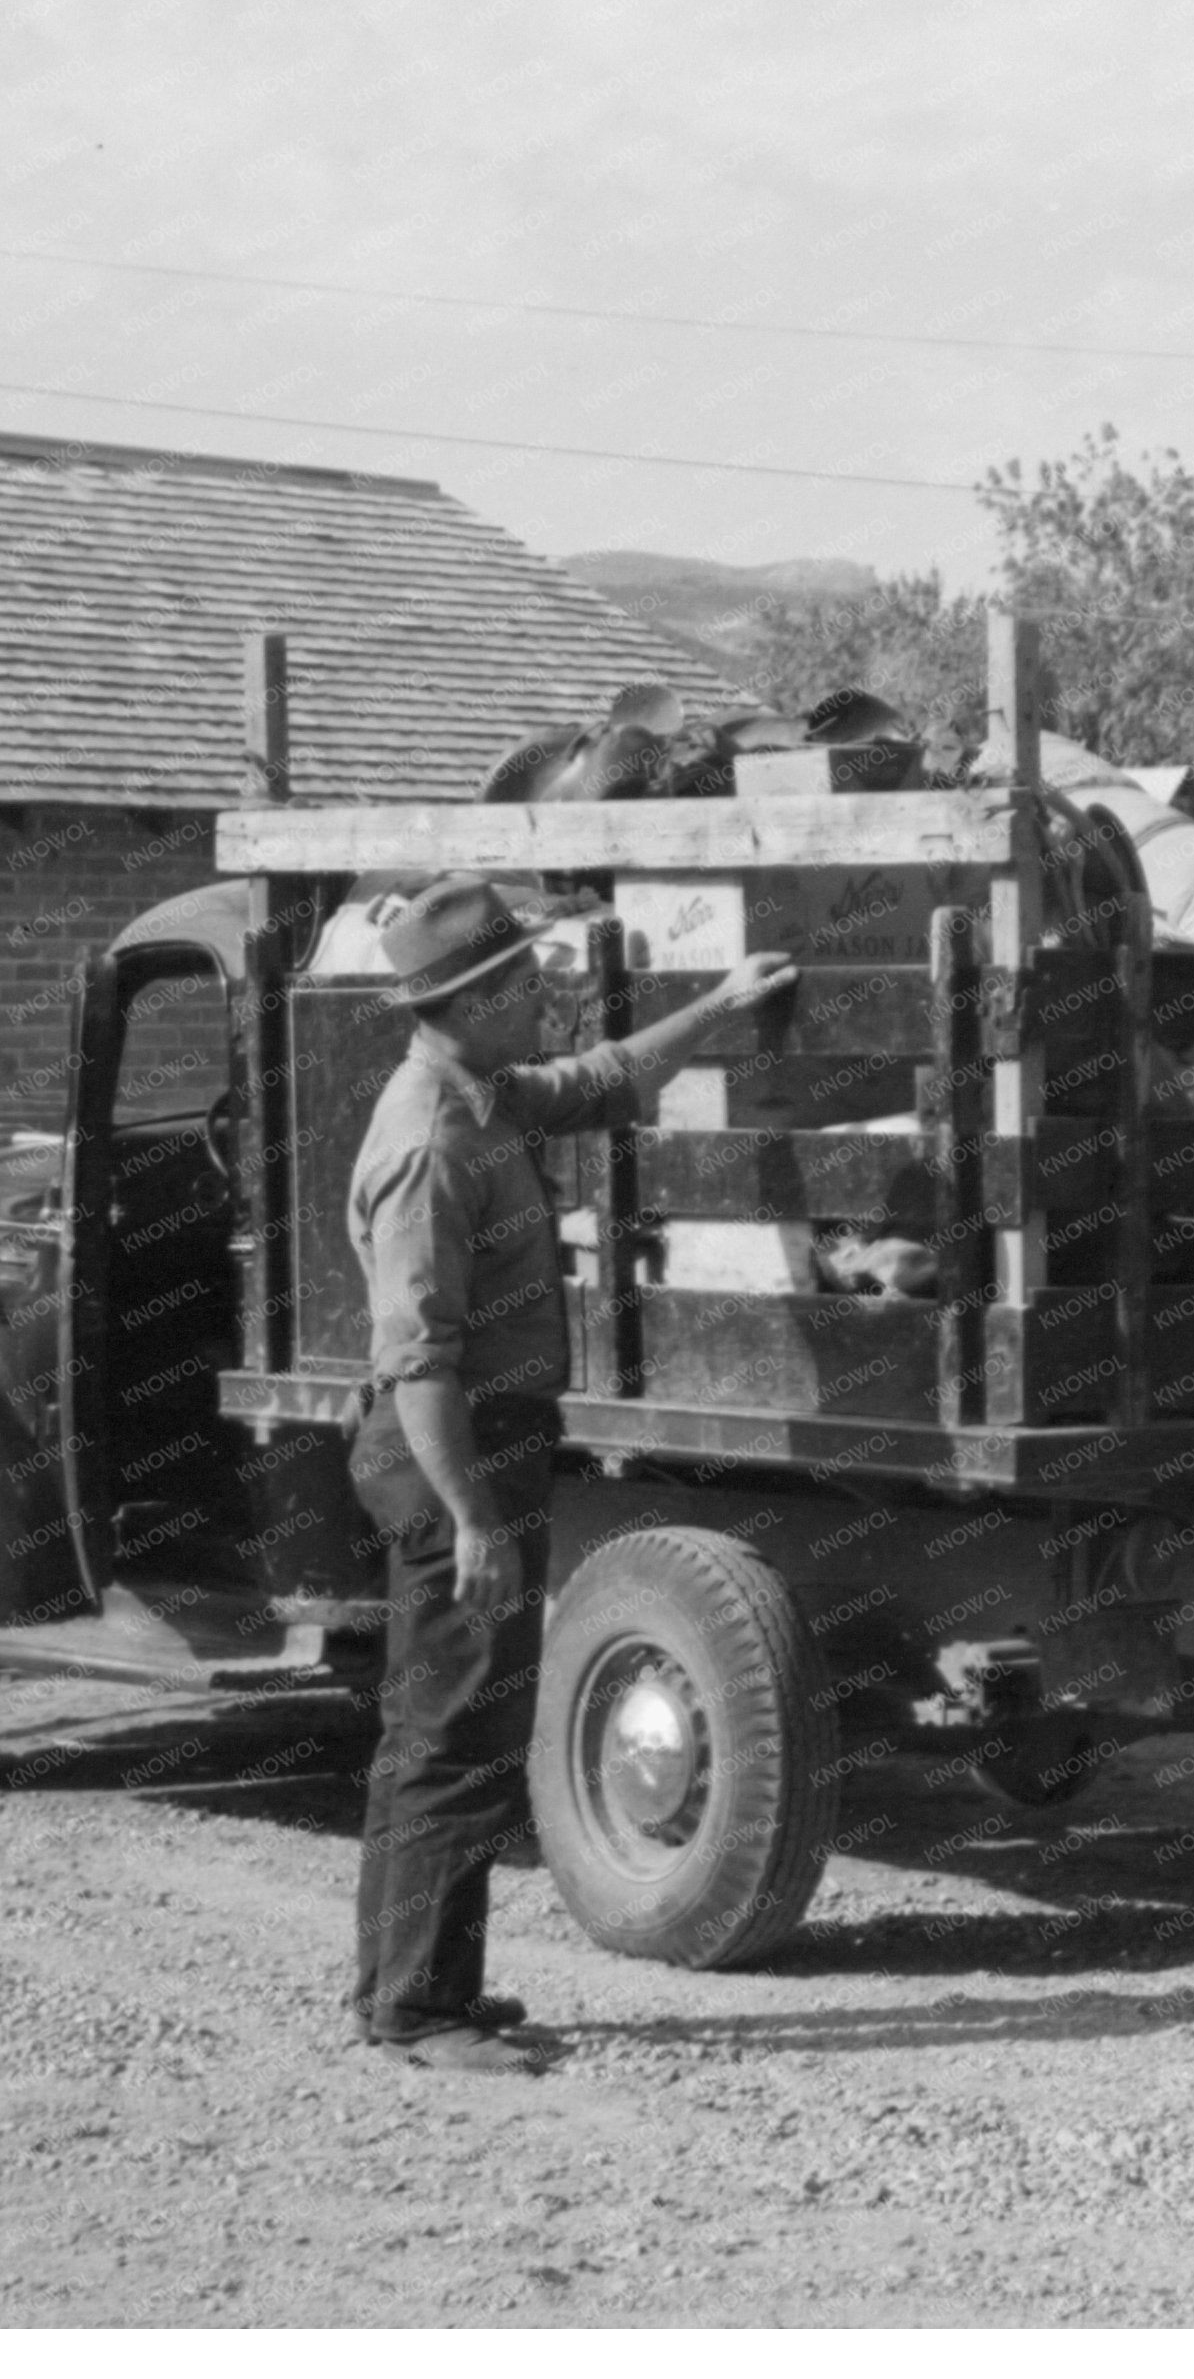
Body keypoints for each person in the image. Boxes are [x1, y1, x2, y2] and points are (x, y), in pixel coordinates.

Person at [343, 876, 794, 2073]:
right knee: (452, 1734)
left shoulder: (481, 1091)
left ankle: (406, 1986)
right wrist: (473, 1519)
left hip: (477, 1443)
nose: (547, 997)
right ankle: (416, 2011)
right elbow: (421, 1362)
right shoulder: (431, 1138)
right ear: (476, 1002)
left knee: (444, 1725)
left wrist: (721, 1003)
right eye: (529, 985)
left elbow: (601, 1078)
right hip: (450, 1450)